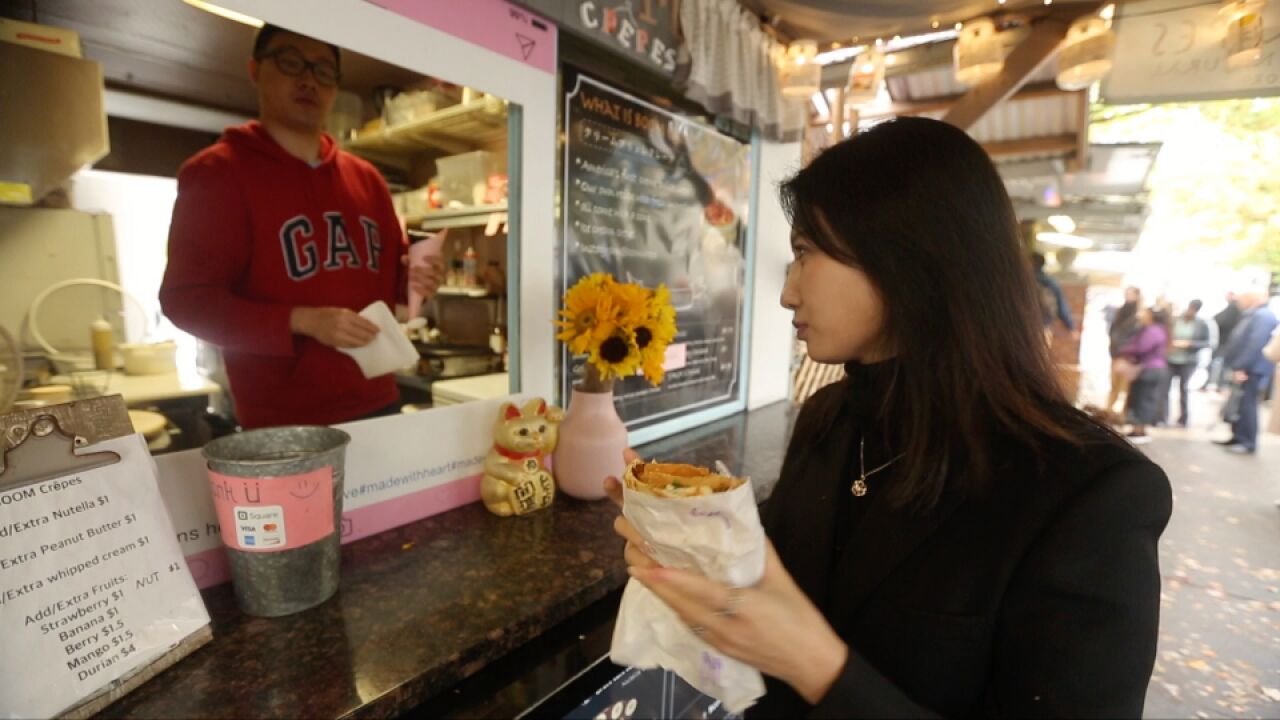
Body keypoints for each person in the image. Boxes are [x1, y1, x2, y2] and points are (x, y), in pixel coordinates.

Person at [606, 118, 1171, 717]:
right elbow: (771, 592)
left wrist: (817, 662)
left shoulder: (1088, 493)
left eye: (804, 254)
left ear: (905, 257)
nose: (787, 293)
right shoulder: (830, 418)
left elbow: (801, 641)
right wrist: (687, 538)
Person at [160, 24, 443, 428]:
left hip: (378, 399)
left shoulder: (367, 180)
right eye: (290, 62)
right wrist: (303, 320)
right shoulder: (217, 173)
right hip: (283, 420)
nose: (308, 79)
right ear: (256, 70)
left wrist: (419, 281)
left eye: (323, 70)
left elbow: (394, 293)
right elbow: (186, 302)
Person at [1215, 287, 1278, 455]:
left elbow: (1255, 344)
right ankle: (1238, 436)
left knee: (1247, 405)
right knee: (1240, 404)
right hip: (1248, 367)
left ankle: (1247, 441)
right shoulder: (1254, 315)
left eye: (1243, 299)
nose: (1239, 303)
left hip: (1252, 369)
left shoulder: (1262, 316)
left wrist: (1242, 366)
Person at [1119, 307, 1170, 444]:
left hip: (1149, 369)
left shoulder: (1153, 330)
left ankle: (1140, 431)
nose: (1141, 315)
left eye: (1145, 313)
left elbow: (1141, 347)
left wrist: (1124, 350)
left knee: (1143, 400)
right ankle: (1137, 429)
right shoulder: (1156, 329)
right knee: (1140, 399)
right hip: (1151, 368)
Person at [1166, 300, 1213, 427]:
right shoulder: (1176, 320)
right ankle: (1162, 417)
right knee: (1164, 388)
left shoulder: (1202, 324)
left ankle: (1183, 418)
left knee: (1184, 389)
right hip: (1171, 358)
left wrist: (1190, 344)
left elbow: (1207, 342)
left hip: (1188, 360)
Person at [1106, 287, 1142, 415]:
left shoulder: (1140, 314)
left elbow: (1138, 336)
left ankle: (1123, 414)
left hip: (1129, 357)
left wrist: (1130, 353)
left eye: (1131, 294)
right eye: (1127, 293)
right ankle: (1109, 411)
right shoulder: (1120, 312)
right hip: (1116, 354)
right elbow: (1113, 331)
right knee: (1114, 385)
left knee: (1126, 388)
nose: (1128, 296)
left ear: (1137, 296)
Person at [1031, 252, 1076, 343]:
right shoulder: (1050, 282)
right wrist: (1071, 326)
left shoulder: (1018, 282)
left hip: (1020, 324)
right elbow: (1061, 306)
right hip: (1043, 324)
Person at [1202, 292, 1242, 391]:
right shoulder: (1236, 309)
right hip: (1226, 342)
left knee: (1219, 364)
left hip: (1225, 341)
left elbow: (1221, 320)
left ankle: (1219, 385)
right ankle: (1220, 385)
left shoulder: (1233, 308)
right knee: (1221, 365)